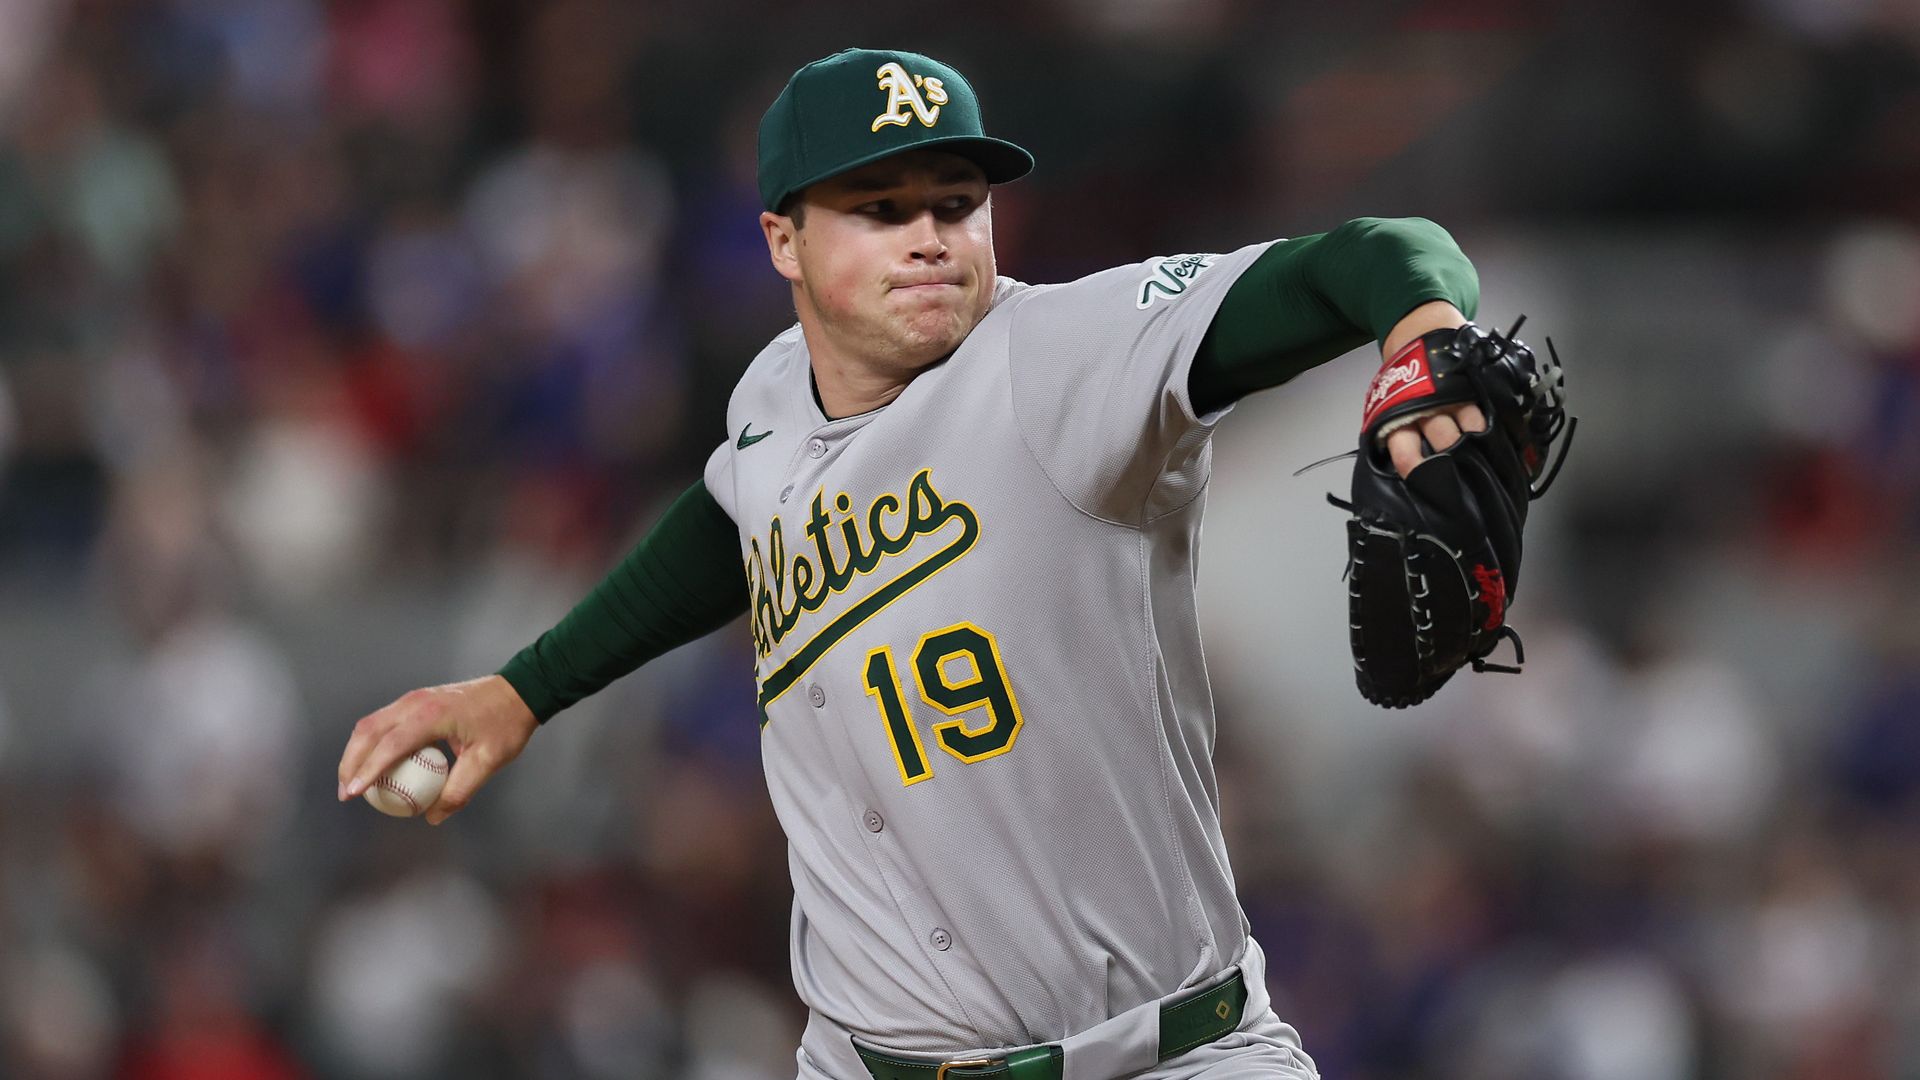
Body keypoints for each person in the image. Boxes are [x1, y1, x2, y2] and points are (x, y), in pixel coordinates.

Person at [337, 47, 1486, 1080]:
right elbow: (731, 520)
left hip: (1164, 1057)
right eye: (880, 209)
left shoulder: (1063, 359)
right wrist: (524, 691)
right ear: (782, 239)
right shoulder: (776, 395)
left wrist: (1423, 324)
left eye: (956, 203)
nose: (932, 237)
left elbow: (1382, 252)